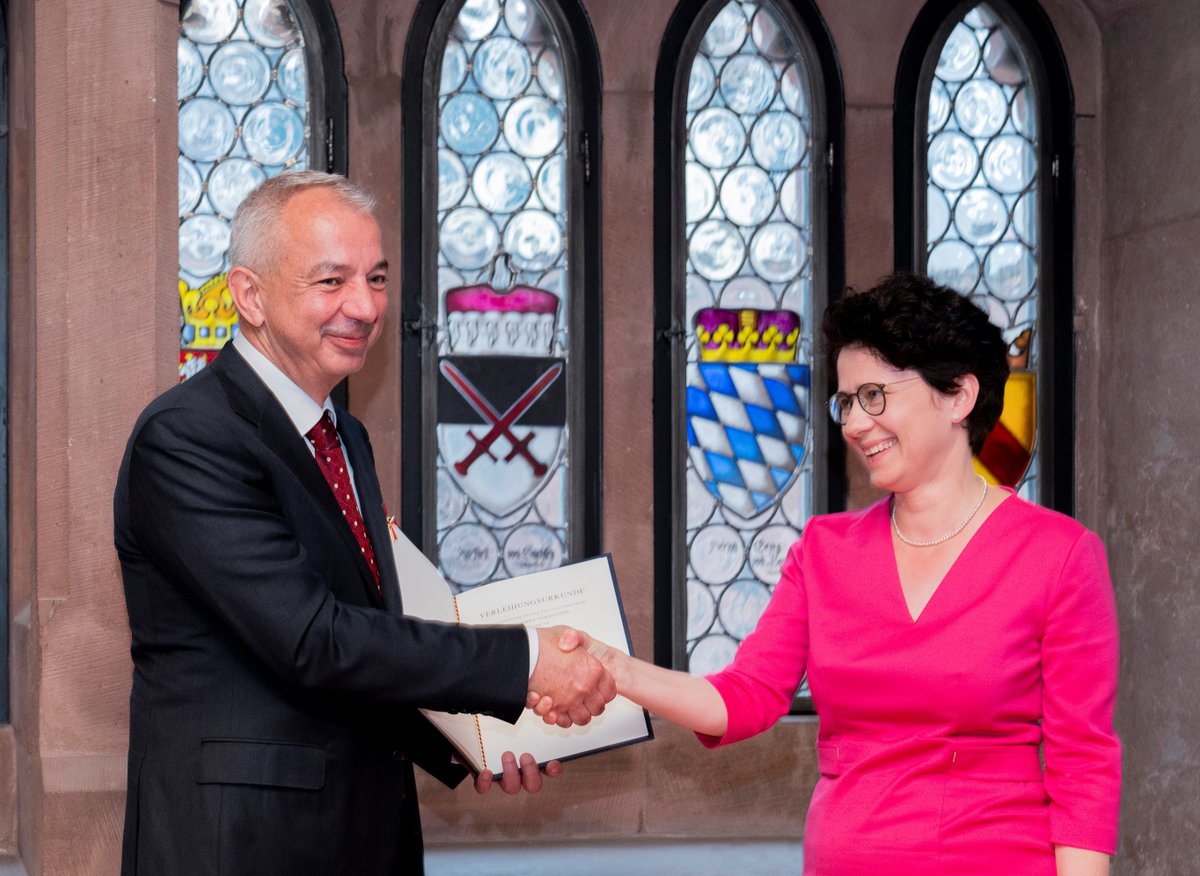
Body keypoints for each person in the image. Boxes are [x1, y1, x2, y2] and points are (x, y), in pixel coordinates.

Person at [113, 171, 615, 876]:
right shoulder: (189, 437)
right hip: (242, 844)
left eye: (376, 279)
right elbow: (313, 640)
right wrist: (526, 662)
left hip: (364, 832)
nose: (364, 306)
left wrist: (474, 743)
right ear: (248, 295)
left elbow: (363, 641)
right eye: (331, 282)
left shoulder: (346, 436)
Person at [546, 273, 1121, 875]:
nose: (853, 423)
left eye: (875, 395)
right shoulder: (824, 552)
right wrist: (616, 667)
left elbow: (1083, 764)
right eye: (846, 402)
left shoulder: (1059, 556)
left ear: (958, 396)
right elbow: (744, 696)